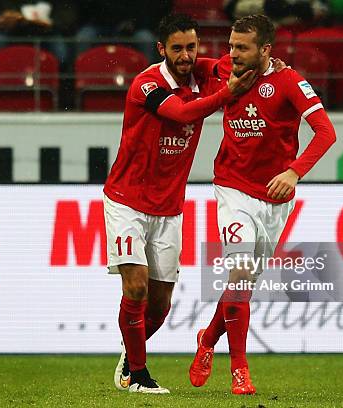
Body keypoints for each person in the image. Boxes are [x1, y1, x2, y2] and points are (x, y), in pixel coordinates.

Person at [104, 13, 259, 394]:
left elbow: (237, 63)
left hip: (169, 207)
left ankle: (130, 354)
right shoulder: (147, 84)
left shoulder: (203, 73)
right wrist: (227, 95)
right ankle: (138, 375)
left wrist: (271, 66)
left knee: (160, 304)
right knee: (136, 287)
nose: (186, 55)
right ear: (162, 49)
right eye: (177, 48)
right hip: (127, 200)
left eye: (191, 47)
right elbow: (182, 113)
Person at [188, 14, 336, 395]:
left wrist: (294, 172)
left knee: (243, 288)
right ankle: (240, 370)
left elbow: (326, 132)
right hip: (232, 189)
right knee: (237, 276)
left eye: (242, 47)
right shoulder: (224, 69)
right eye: (231, 45)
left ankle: (207, 340)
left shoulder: (288, 81)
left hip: (274, 197)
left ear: (266, 50)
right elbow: (190, 65)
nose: (232, 54)